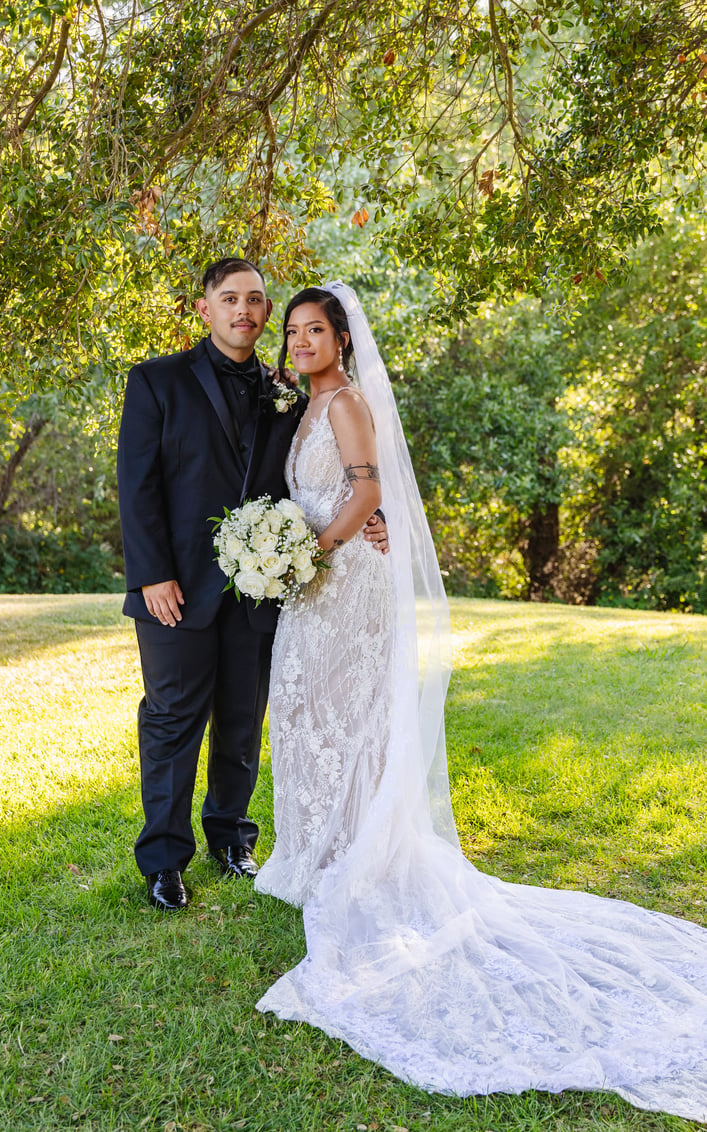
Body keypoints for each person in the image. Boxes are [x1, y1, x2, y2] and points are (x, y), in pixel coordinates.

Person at [254, 283, 707, 1124]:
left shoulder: (348, 404)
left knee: (351, 723)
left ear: (343, 342)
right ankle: (314, 850)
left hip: (341, 584)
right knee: (309, 719)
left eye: (315, 331)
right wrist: (288, 550)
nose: (300, 342)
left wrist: (303, 554)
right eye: (293, 332)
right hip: (313, 585)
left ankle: (350, 859)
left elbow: (363, 495)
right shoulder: (304, 407)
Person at [116, 259, 387, 912]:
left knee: (242, 721)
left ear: (265, 315)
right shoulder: (156, 382)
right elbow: (137, 483)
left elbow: (319, 476)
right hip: (174, 589)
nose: (245, 310)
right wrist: (152, 573)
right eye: (230, 298)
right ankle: (164, 861)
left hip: (262, 588)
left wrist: (371, 512)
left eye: (257, 300)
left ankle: (233, 839)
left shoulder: (286, 392)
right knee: (173, 722)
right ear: (203, 309)